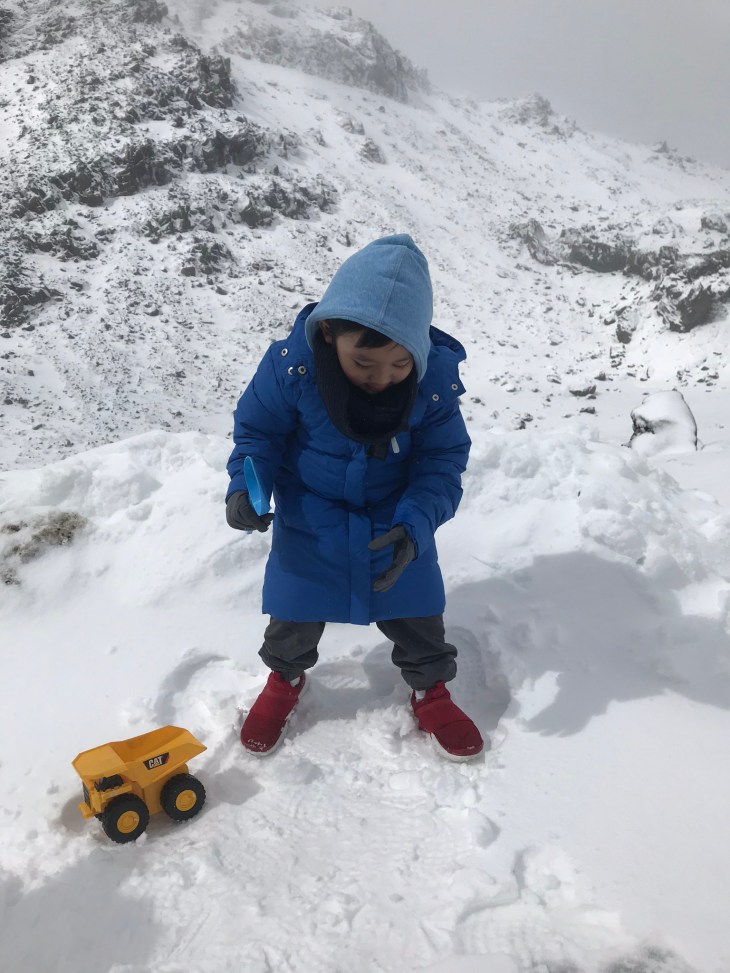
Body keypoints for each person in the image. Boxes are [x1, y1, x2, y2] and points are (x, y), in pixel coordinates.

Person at [225, 234, 485, 761]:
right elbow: (259, 436)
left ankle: (429, 689)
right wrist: (244, 486)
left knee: (417, 616)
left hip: (396, 517)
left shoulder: (432, 386)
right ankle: (285, 680)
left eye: (398, 365)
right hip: (310, 517)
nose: (381, 380)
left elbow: (442, 462)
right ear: (328, 333)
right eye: (363, 364)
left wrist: (415, 526)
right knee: (294, 614)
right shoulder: (290, 369)